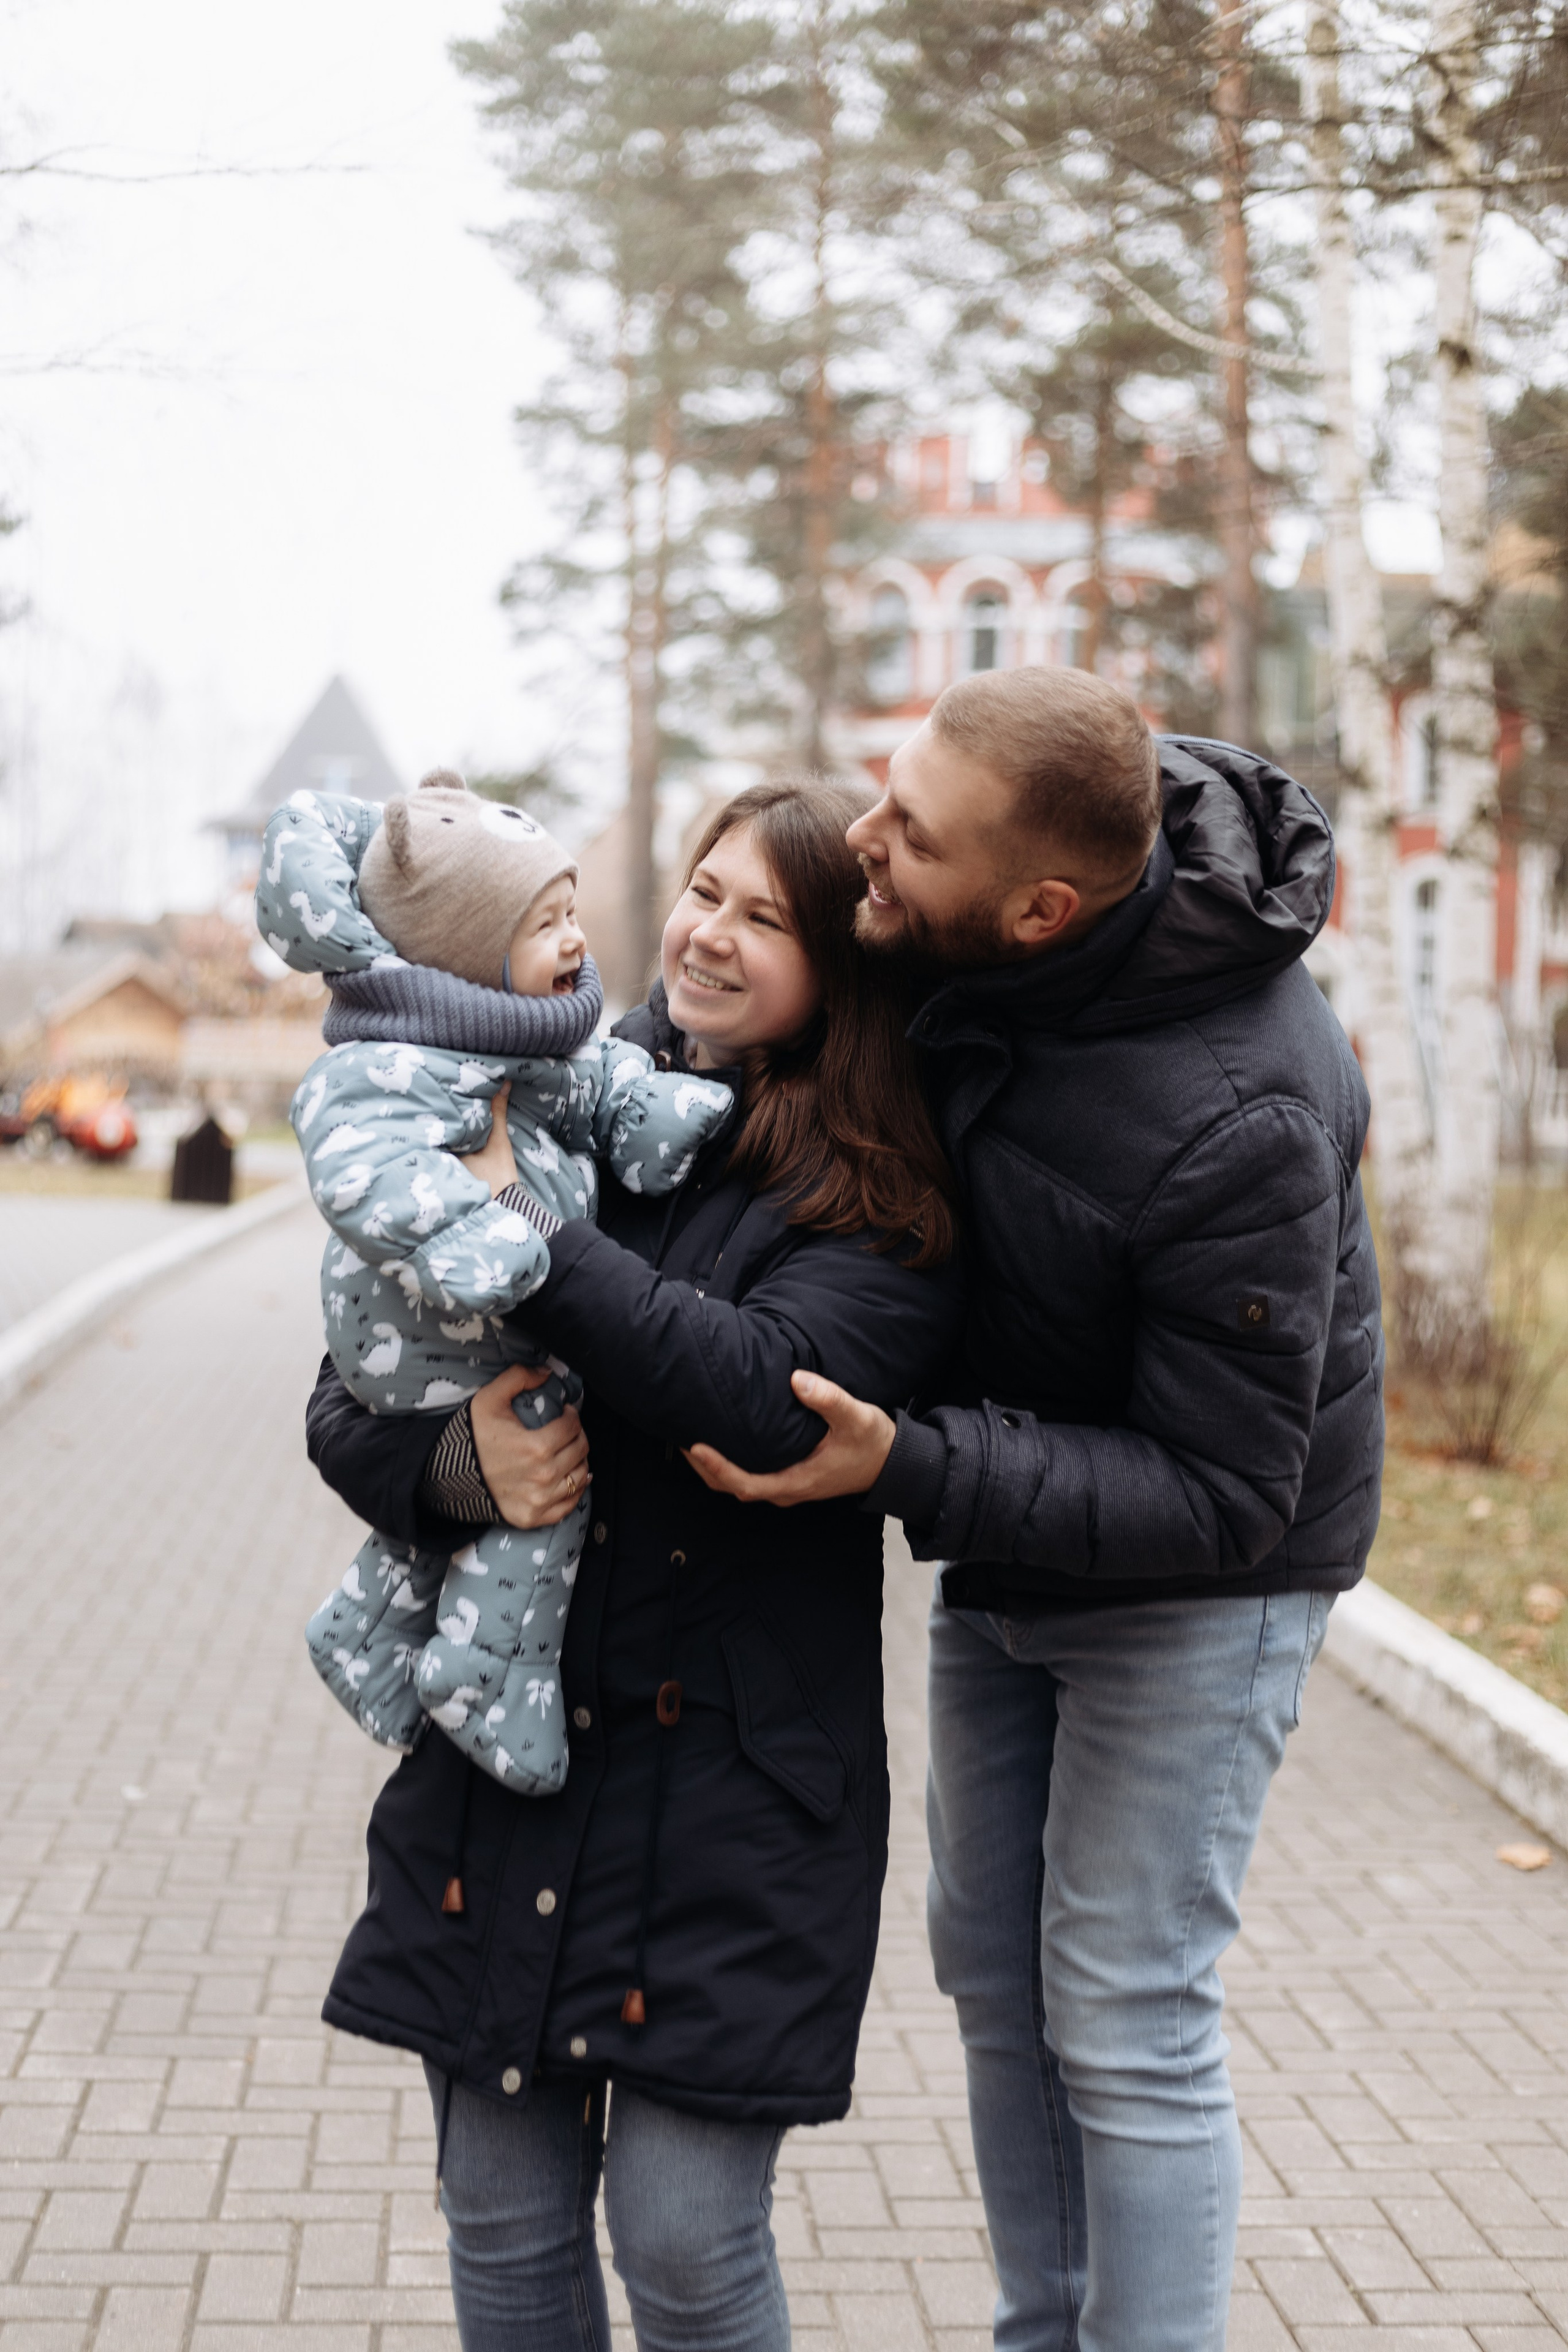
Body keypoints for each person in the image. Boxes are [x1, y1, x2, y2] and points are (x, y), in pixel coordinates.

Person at [688, 666, 1384, 2352]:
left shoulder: (1248, 1109)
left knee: (1127, 2007)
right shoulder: (945, 934)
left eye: (907, 832)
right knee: (999, 1985)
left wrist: (914, 1464)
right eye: (885, 792)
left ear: (1041, 909)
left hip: (1208, 1577)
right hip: (1011, 1518)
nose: (866, 841)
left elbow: (1229, 1486)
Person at [303, 778, 966, 2352]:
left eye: (765, 918)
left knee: (680, 2237)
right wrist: (460, 1465)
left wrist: (524, 1224)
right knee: (506, 2219)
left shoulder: (878, 1201)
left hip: (732, 1789)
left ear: (839, 969)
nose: (708, 937)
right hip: (515, 1759)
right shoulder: (549, 1089)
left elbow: (754, 1389)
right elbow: (355, 1398)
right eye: (702, 891)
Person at [258, 769, 730, 1787]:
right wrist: (490, 1234)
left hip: (481, 1327)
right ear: (472, 953)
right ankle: (485, 1674)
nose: (578, 940)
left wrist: (648, 1115)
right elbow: (365, 1170)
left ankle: (363, 1636)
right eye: (549, 920)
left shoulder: (520, 1037)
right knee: (544, 1483)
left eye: (573, 912)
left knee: (515, 1470)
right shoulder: (390, 1062)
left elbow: (596, 1082)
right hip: (429, 1324)